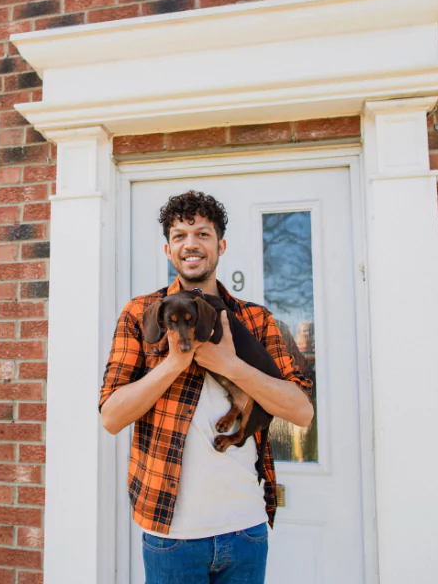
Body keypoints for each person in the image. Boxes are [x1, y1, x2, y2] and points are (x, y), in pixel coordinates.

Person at [99, 191, 314, 584]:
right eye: (180, 236)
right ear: (168, 249)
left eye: (202, 234)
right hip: (172, 533)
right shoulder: (143, 315)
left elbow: (301, 411)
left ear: (221, 245)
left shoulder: (257, 320)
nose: (191, 244)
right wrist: (175, 363)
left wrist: (230, 365)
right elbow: (111, 417)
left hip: (246, 527)